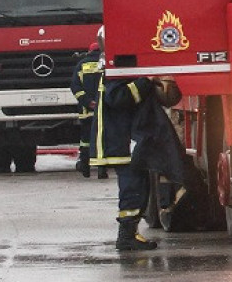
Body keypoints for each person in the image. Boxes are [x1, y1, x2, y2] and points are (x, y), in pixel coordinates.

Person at [91, 42, 184, 252]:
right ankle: (126, 236)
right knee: (132, 188)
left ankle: (130, 233)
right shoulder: (115, 74)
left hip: (127, 140)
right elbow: (118, 98)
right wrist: (145, 81)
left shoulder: (119, 71)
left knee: (139, 186)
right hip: (120, 142)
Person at [70, 41, 107, 180]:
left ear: (89, 51)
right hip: (103, 110)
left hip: (86, 111)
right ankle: (102, 171)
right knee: (102, 140)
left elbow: (75, 86)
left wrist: (87, 101)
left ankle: (85, 168)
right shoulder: (105, 64)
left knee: (86, 140)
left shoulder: (81, 65)